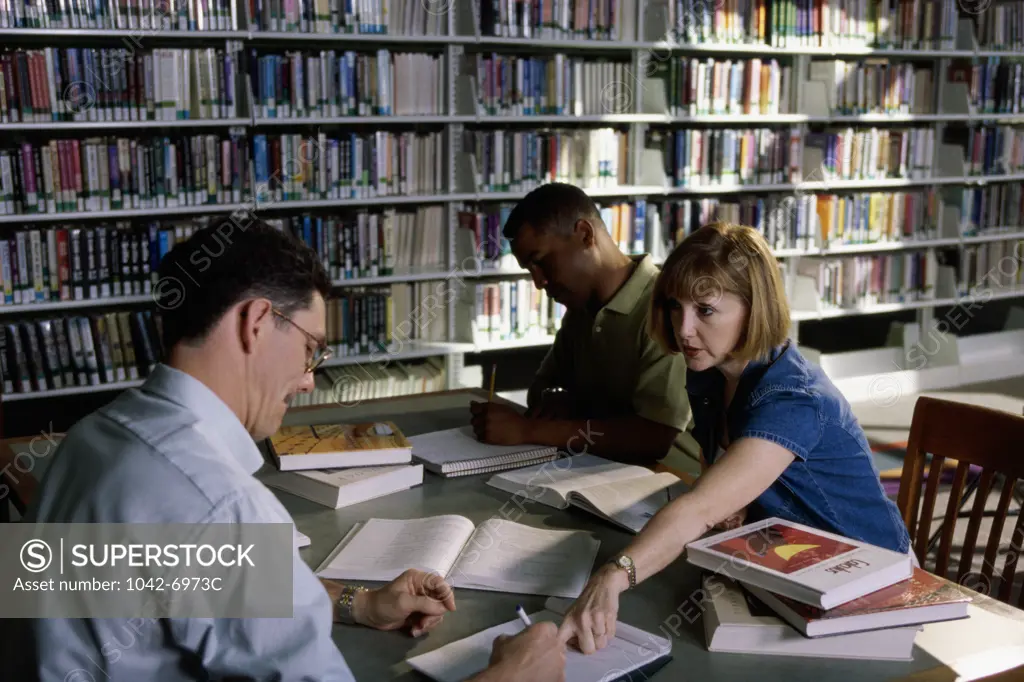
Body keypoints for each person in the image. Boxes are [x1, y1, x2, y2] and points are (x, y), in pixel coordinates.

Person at [10, 217, 565, 682]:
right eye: (310, 350)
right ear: (255, 322)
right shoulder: (221, 506)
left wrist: (359, 603)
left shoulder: (92, 438)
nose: (308, 380)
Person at [556, 221, 913, 655]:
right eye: (675, 306)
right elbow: (719, 500)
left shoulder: (794, 399)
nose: (684, 329)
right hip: (787, 566)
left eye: (705, 310)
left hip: (869, 586)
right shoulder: (712, 375)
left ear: (753, 309)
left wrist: (614, 575)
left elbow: (701, 509)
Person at [469, 183, 701, 475]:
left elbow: (654, 438)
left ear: (585, 234)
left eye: (540, 262)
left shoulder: (666, 308)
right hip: (598, 470)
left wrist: (528, 430)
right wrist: (558, 399)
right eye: (530, 270)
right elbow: (542, 388)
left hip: (667, 483)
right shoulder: (581, 309)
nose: (538, 282)